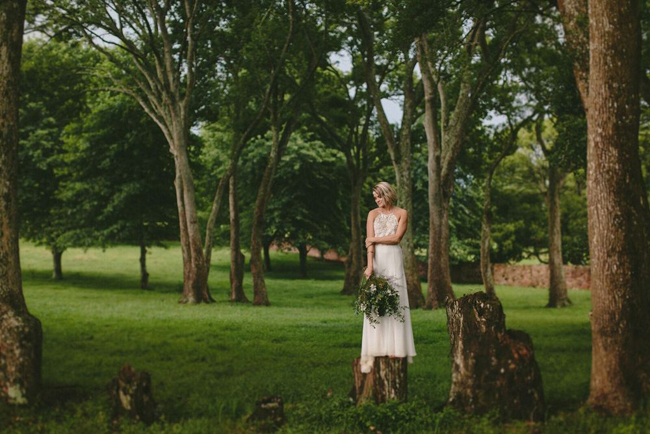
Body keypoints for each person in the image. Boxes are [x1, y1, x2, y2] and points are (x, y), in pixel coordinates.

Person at [360, 181, 416, 373]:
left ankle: (396, 348)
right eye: (375, 198)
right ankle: (376, 347)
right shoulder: (372, 214)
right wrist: (369, 265)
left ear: (388, 194)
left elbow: (396, 238)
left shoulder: (402, 213)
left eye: (379, 196)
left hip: (393, 258)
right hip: (377, 261)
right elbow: (369, 244)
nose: (377, 200)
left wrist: (373, 238)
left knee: (395, 299)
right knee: (376, 301)